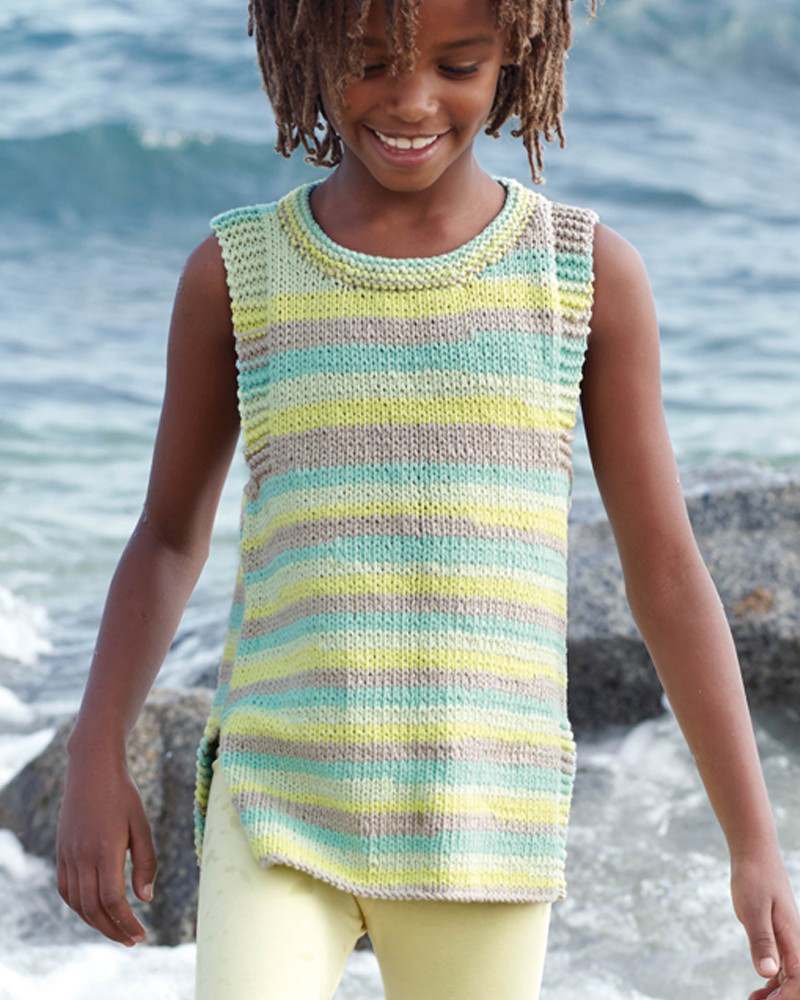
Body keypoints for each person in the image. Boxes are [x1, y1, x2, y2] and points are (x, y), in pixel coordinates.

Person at [55, 0, 800, 998]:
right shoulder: (240, 273)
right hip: (281, 793)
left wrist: (753, 845)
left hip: (485, 814)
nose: (411, 102)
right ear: (306, 48)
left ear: (515, 59)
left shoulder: (579, 275)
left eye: (456, 66)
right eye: (369, 63)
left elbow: (664, 571)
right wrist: (96, 748)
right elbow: (165, 538)